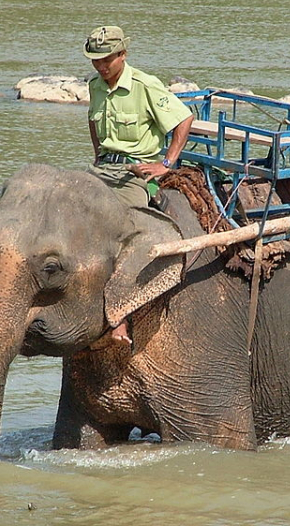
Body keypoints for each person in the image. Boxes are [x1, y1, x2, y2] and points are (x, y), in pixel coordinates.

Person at [83, 25, 193, 345]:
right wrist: (98, 157)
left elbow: (184, 119)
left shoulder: (145, 86)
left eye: (107, 60)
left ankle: (120, 316)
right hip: (104, 168)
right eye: (95, 60)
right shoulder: (95, 86)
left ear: (122, 55)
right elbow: (93, 120)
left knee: (125, 233)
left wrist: (166, 164)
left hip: (135, 174)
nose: (101, 66)